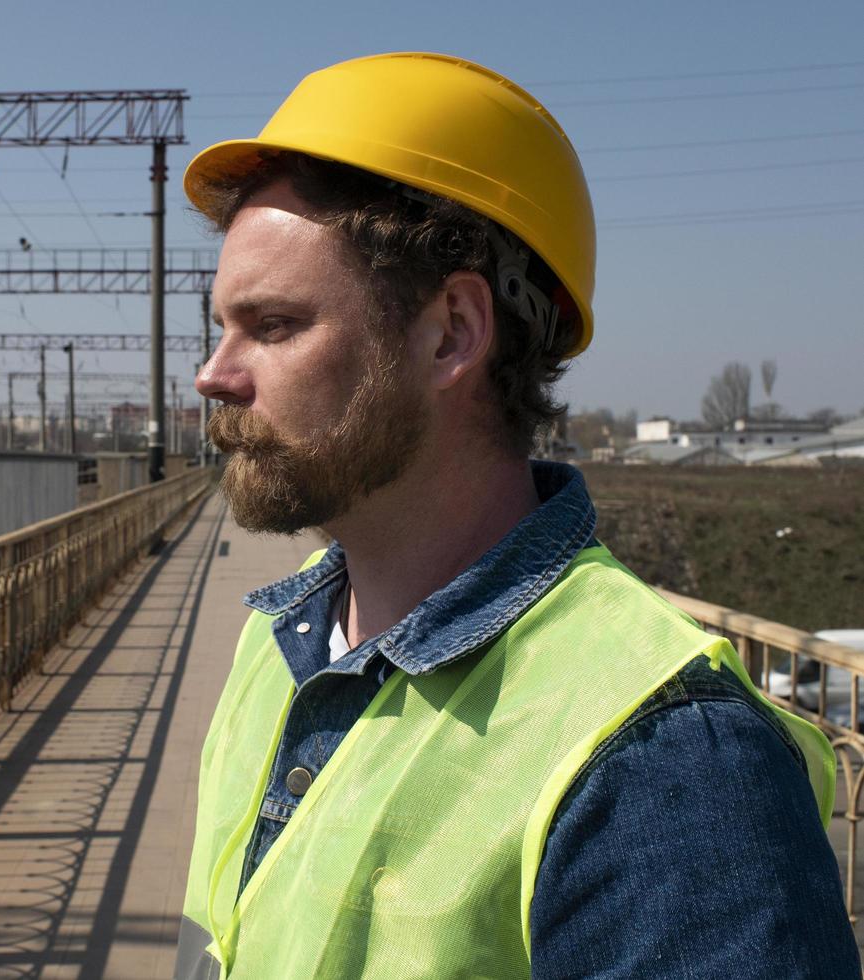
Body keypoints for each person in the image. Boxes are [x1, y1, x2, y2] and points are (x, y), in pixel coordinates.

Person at [175, 53, 860, 979]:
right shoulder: (280, 637)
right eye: (219, 327)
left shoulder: (667, 759)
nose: (213, 374)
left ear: (451, 332)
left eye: (275, 325)